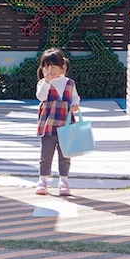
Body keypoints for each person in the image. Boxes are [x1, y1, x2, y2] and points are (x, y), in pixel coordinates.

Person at [35, 47, 81, 196]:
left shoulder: (70, 83)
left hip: (66, 124)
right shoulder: (43, 83)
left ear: (62, 68)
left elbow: (75, 97)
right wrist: (47, 82)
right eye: (46, 66)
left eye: (53, 66)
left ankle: (63, 182)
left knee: (65, 155)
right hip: (48, 124)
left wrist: (75, 105)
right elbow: (41, 97)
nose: (49, 70)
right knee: (46, 155)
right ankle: (42, 181)